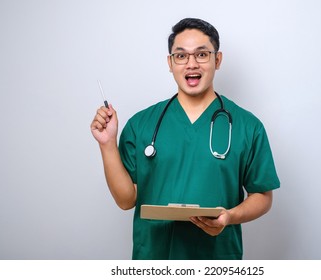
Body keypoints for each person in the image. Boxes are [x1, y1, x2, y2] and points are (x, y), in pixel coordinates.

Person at [90, 18, 280, 260]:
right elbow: (126, 200)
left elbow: (263, 196)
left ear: (217, 60)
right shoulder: (142, 124)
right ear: (170, 63)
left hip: (217, 260)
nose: (191, 64)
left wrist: (230, 217)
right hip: (154, 258)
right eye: (181, 56)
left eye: (202, 54)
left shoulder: (247, 126)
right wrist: (107, 144)